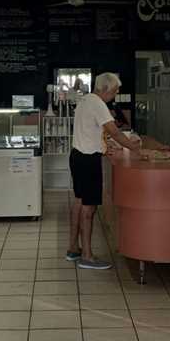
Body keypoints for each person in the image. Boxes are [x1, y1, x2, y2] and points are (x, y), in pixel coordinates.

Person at [66, 72, 144, 270]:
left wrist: (103, 145)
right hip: (88, 160)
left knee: (79, 201)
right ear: (106, 89)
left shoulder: (85, 100)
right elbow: (114, 131)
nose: (116, 95)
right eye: (115, 91)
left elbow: (92, 130)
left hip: (77, 156)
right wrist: (135, 148)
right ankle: (87, 256)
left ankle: (73, 248)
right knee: (89, 208)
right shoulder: (98, 104)